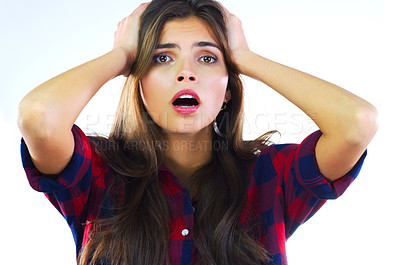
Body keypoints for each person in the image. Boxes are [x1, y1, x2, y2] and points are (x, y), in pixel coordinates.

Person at [18, 0, 378, 264]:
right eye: (161, 58)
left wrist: (245, 57)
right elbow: (39, 117)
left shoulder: (269, 176)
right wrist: (125, 53)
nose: (186, 73)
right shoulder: (98, 173)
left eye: (207, 58)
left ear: (229, 90)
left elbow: (356, 123)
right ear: (139, 84)